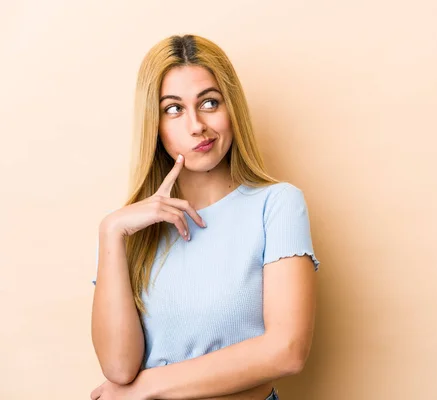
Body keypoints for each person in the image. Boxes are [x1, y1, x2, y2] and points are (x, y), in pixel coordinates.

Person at [90, 34, 320, 400]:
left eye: (209, 103)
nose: (196, 125)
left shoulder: (277, 205)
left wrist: (148, 387)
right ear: (155, 124)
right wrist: (110, 232)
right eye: (173, 109)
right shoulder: (133, 231)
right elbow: (118, 368)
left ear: (232, 109)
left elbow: (287, 350)